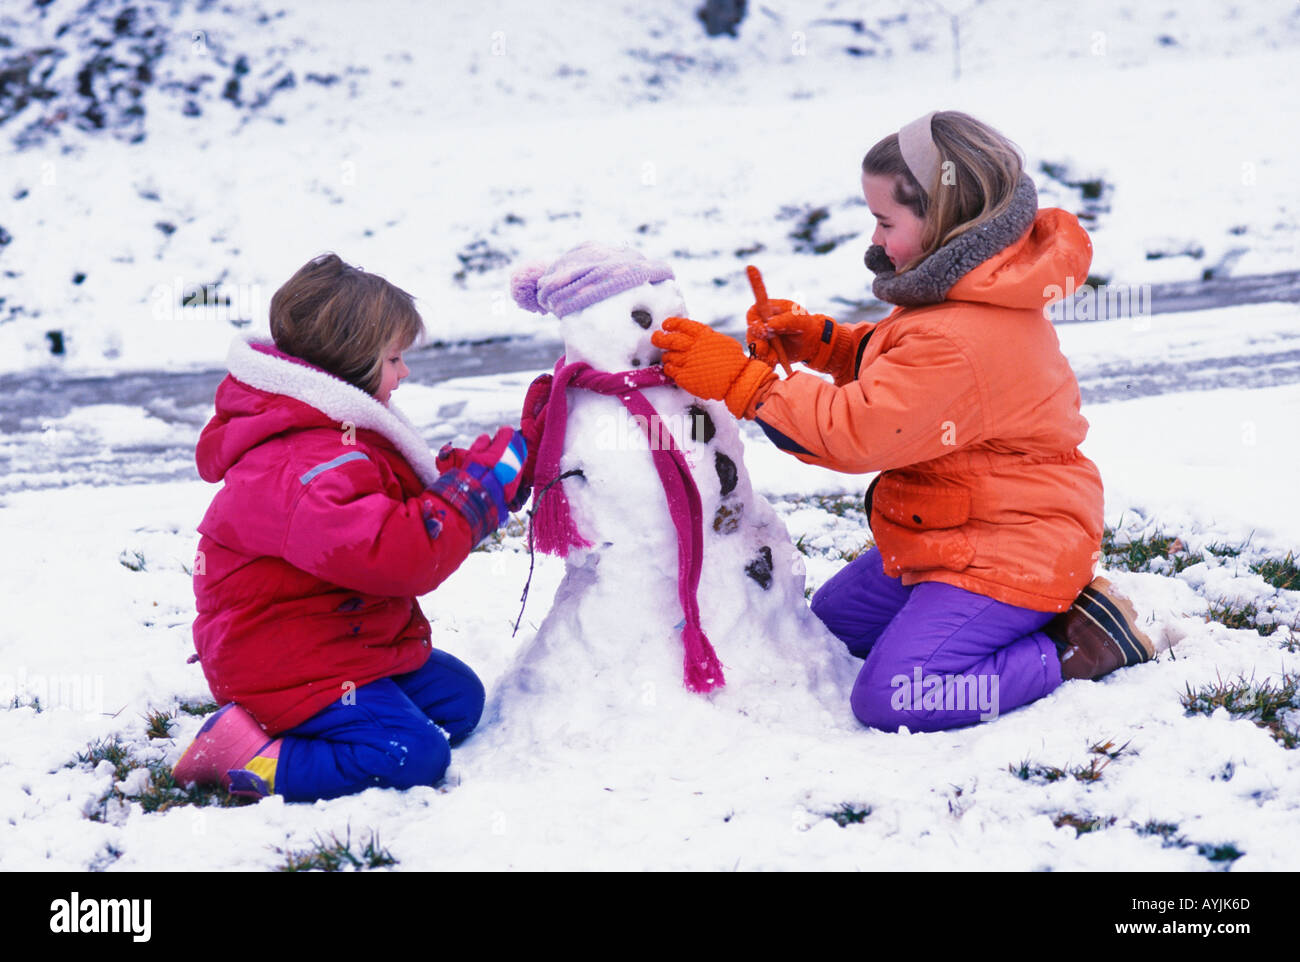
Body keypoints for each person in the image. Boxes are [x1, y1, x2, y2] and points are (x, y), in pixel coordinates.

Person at [651, 110, 1155, 733]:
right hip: (957, 530)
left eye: (886, 222)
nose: (876, 239)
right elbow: (906, 369)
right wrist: (823, 343)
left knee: (895, 696)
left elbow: (856, 432)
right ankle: (1016, 618)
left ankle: (1079, 645)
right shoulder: (969, 292)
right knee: (831, 627)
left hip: (1010, 547)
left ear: (944, 221)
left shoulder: (965, 333)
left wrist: (741, 382)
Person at [173, 253, 527, 800]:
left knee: (459, 701)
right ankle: (254, 760)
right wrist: (474, 494)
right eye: (394, 359)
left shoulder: (330, 431)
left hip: (336, 640)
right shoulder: (305, 465)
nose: (404, 372)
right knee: (411, 754)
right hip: (282, 659)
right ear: (352, 362)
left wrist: (473, 478)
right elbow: (395, 555)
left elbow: (394, 503)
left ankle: (321, 719)